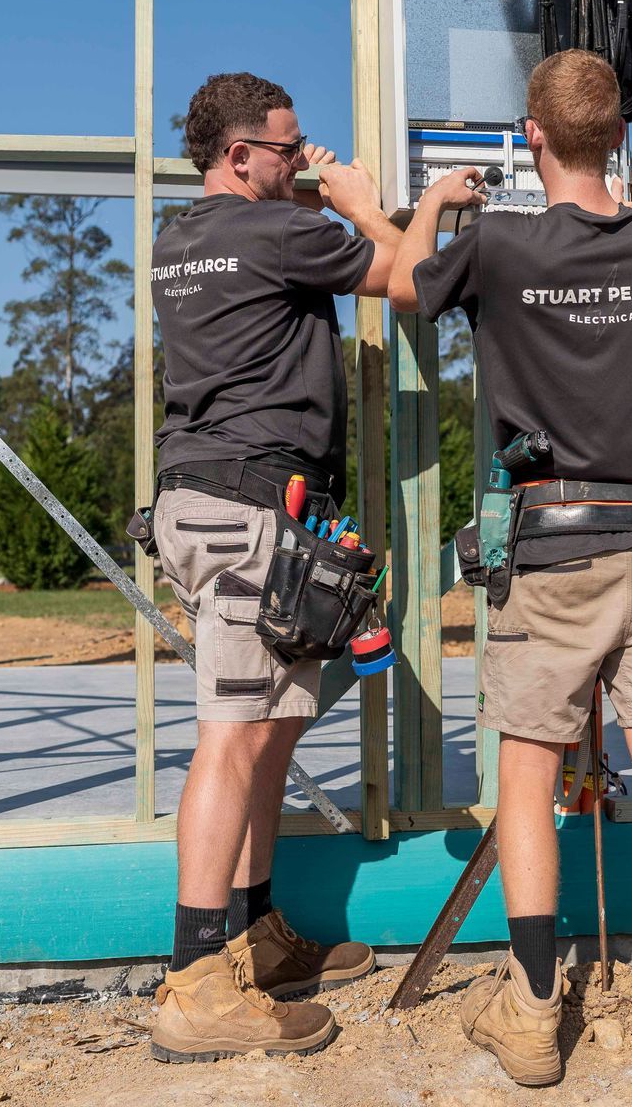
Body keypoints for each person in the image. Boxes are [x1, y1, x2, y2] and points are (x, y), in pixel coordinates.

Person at [389, 50, 632, 1087]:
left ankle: (535, 1015)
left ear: (531, 135)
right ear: (619, 138)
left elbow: (404, 288)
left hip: (548, 549)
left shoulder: (493, 242)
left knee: (528, 779)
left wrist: (432, 205)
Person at [146, 71, 483, 1063]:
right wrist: (388, 206)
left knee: (273, 724)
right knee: (235, 734)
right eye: (289, 150)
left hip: (213, 499)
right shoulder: (272, 231)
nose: (303, 161)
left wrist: (314, 195)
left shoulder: (184, 236)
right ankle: (195, 979)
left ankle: (255, 932)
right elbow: (411, 282)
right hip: (251, 506)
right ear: (241, 155)